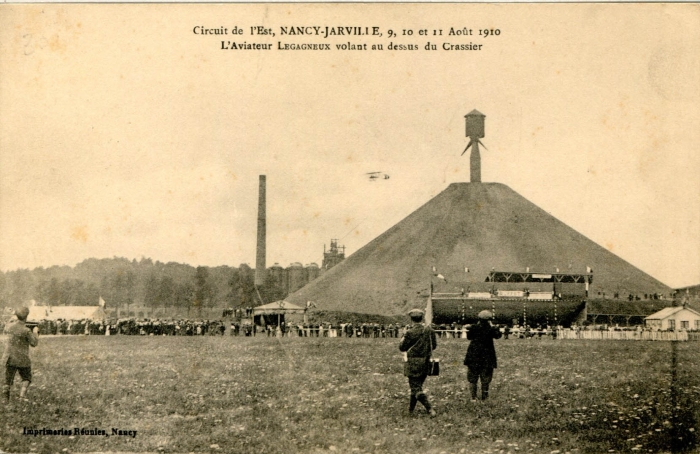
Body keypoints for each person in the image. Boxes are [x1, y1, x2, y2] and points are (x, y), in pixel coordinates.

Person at [399, 309, 437, 417]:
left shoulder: (410, 332)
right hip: (426, 362)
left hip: (413, 363)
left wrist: (403, 336)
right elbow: (433, 346)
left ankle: (430, 409)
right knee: (416, 386)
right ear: (422, 318)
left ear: (411, 319)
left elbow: (402, 348)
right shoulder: (429, 330)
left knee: (415, 388)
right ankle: (410, 410)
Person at [2, 307, 39, 402]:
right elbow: (34, 343)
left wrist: (12, 321)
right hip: (22, 358)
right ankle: (22, 397)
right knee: (26, 378)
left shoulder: (9, 327)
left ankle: (5, 399)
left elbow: (6, 327)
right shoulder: (26, 330)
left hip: (10, 357)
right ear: (26, 316)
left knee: (8, 379)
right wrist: (35, 332)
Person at [464, 310, 502, 401]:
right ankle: (484, 397)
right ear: (489, 319)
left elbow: (469, 337)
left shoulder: (473, 327)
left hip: (473, 355)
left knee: (472, 377)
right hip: (487, 356)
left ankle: (473, 397)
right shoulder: (491, 329)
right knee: (486, 378)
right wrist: (495, 327)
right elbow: (498, 336)